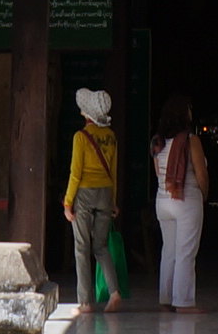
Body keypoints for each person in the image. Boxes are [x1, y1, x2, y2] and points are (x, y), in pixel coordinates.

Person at [66, 87, 122, 312]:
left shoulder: (80, 137)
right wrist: (113, 200)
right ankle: (115, 292)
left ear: (86, 114)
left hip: (85, 194)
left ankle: (85, 302)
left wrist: (68, 202)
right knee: (101, 247)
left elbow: (75, 172)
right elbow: (114, 171)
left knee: (82, 248)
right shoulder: (111, 136)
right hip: (106, 193)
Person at [152, 92, 209, 313]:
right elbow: (201, 173)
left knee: (169, 251)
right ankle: (184, 302)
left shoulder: (157, 141)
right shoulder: (191, 140)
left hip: (163, 200)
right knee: (186, 252)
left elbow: (158, 172)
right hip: (186, 200)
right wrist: (203, 195)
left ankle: (166, 299)